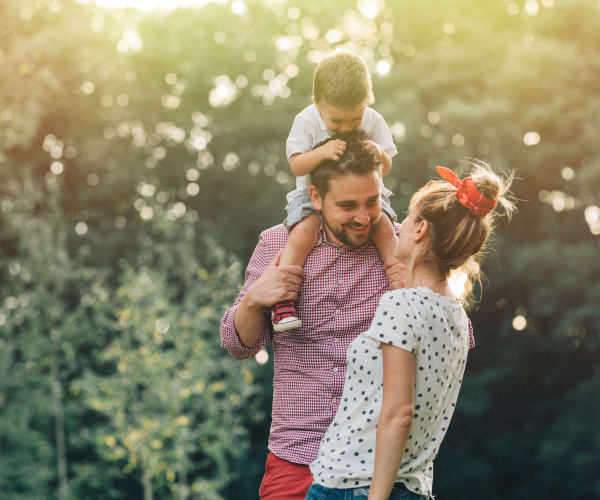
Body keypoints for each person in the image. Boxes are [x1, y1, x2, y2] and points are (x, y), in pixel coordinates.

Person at [306, 163, 515, 500]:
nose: (398, 226)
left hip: (353, 487)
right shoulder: (458, 317)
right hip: (414, 488)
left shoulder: (401, 305)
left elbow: (399, 414)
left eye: (408, 218)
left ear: (420, 230)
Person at [271, 49, 400, 332]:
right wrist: (323, 152)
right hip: (310, 197)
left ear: (368, 101)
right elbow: (296, 165)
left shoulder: (374, 120)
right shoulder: (306, 121)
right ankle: (283, 302)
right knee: (302, 234)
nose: (345, 129)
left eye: (354, 121)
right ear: (317, 104)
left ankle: (401, 288)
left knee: (385, 229)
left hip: (366, 194)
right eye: (337, 122)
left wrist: (378, 152)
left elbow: (385, 168)